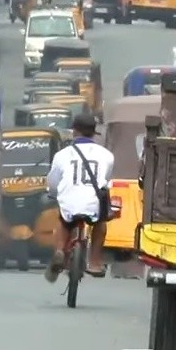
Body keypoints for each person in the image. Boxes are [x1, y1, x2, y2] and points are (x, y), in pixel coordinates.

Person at [44, 113, 115, 281]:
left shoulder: (61, 155)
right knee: (100, 223)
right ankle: (95, 262)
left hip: (69, 202)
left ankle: (60, 250)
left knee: (63, 219)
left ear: (74, 132)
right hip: (93, 204)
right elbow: (106, 180)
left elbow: (53, 182)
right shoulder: (107, 155)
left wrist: (53, 194)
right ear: (93, 133)